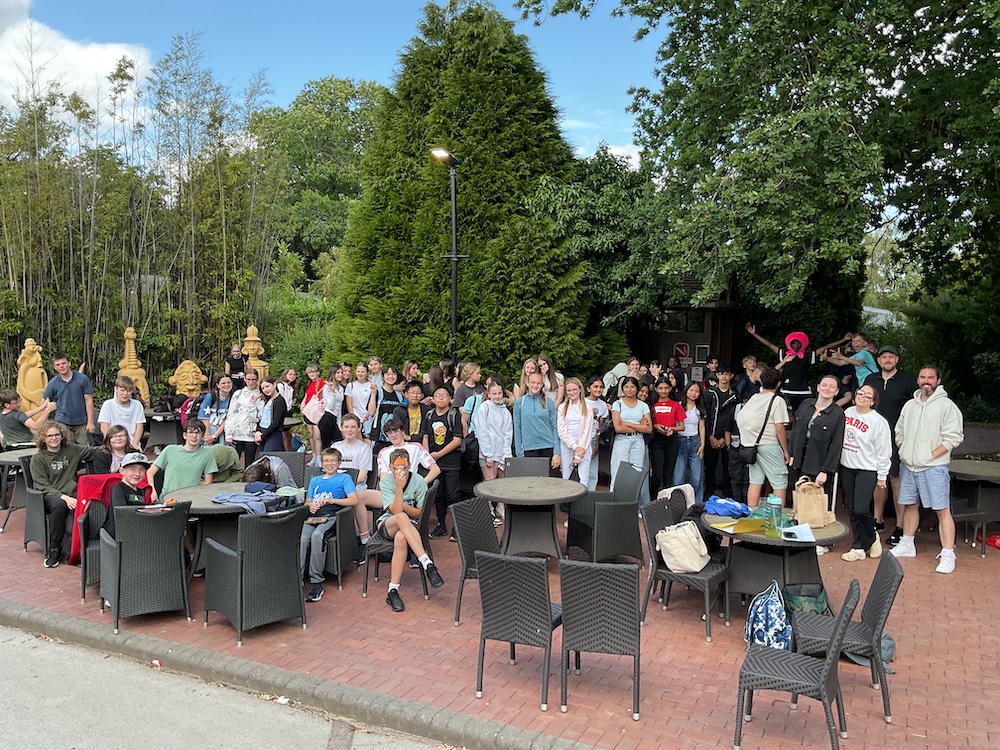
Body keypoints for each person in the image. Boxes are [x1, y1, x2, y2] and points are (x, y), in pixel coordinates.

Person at [890, 366, 965, 573]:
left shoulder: (947, 406)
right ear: (918, 380)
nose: (926, 381)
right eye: (923, 377)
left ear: (938, 381)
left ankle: (948, 555)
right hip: (909, 465)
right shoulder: (910, 405)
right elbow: (899, 431)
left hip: (934, 467)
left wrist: (931, 455)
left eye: (930, 377)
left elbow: (954, 437)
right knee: (910, 505)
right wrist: (903, 448)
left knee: (942, 510)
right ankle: (907, 543)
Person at [372, 448, 444, 611]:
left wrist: (403, 506)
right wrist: (399, 488)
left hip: (409, 526)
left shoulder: (418, 481)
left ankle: (393, 590)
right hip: (388, 523)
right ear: (390, 467)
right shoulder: (385, 482)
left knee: (401, 538)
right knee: (401, 517)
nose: (400, 471)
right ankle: (427, 563)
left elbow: (420, 512)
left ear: (409, 466)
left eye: (403, 467)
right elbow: (396, 512)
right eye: (396, 467)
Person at [864, 345, 918, 543]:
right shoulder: (870, 380)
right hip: (873, 437)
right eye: (883, 357)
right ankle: (877, 520)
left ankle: (900, 526)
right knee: (878, 479)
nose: (887, 360)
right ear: (878, 360)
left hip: (897, 437)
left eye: (891, 357)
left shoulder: (907, 381)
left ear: (897, 359)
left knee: (896, 481)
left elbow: (916, 409)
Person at [30, 421, 96, 567]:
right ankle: (55, 549)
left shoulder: (71, 449)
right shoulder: (38, 459)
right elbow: (42, 486)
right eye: (49, 436)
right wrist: (64, 498)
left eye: (57, 435)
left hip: (71, 493)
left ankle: (74, 549)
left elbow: (94, 452)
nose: (54, 438)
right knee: (60, 505)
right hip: (49, 495)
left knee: (85, 502)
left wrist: (118, 445)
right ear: (43, 438)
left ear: (62, 436)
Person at [839, 384, 892, 562]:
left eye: (867, 395)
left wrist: (882, 476)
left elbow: (884, 450)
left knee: (861, 509)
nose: (862, 396)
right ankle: (858, 547)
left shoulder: (878, 422)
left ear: (873, 401)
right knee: (852, 509)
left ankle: (870, 536)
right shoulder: (847, 413)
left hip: (867, 469)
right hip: (847, 467)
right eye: (860, 393)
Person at [744, 324, 850, 412]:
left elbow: (825, 347)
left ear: (803, 343)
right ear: (789, 343)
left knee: (803, 415)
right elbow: (769, 344)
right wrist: (754, 334)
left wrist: (843, 340)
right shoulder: (784, 354)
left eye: (798, 342)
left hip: (803, 391)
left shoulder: (808, 356)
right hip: (787, 390)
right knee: (787, 417)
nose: (795, 345)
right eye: (793, 342)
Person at [300, 447, 359, 603]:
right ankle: (298, 578)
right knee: (302, 538)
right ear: (322, 463)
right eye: (326, 460)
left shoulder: (344, 478)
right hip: (313, 517)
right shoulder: (315, 480)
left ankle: (316, 582)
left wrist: (333, 500)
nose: (329, 463)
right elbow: (307, 501)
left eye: (333, 460)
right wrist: (310, 505)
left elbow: (354, 500)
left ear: (339, 463)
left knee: (318, 536)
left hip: (332, 516)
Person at [736, 367, 790, 506]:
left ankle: (752, 512)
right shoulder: (777, 400)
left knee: (755, 481)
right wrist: (786, 450)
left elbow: (740, 418)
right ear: (778, 383)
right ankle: (777, 515)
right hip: (769, 445)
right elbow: (779, 427)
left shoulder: (754, 398)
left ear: (761, 381)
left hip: (750, 447)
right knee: (779, 482)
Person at [787, 375, 846, 497]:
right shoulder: (805, 404)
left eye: (832, 387)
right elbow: (795, 430)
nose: (827, 389)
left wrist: (825, 471)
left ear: (837, 391)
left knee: (814, 503)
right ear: (818, 387)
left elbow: (836, 445)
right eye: (824, 385)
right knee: (797, 500)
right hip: (798, 462)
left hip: (817, 466)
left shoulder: (838, 414)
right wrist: (792, 453)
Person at [422, 385, 463, 539]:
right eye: (437, 395)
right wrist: (428, 456)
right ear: (432, 399)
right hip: (435, 464)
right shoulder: (429, 415)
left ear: (450, 399)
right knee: (438, 495)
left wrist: (439, 454)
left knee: (452, 495)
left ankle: (457, 528)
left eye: (444, 395)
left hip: (451, 462)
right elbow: (425, 436)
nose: (441, 398)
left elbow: (457, 440)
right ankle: (441, 525)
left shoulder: (454, 415)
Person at [148, 420, 218, 502]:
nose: (194, 436)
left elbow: (208, 482)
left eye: (198, 433)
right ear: (185, 435)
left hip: (191, 500)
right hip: (168, 498)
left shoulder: (207, 453)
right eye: (191, 432)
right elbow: (150, 472)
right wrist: (152, 490)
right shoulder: (170, 450)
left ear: (202, 436)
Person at [609, 376, 651, 495]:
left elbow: (648, 428)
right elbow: (618, 428)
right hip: (622, 440)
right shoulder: (618, 404)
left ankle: (631, 503)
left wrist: (627, 423)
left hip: (638, 440)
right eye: (626, 387)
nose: (629, 389)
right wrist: (639, 425)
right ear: (622, 389)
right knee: (618, 473)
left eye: (632, 387)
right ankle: (613, 503)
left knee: (635, 474)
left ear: (637, 388)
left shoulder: (643, 406)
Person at [42, 352, 95, 446]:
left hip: (82, 422)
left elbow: (89, 401)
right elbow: (44, 402)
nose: (61, 366)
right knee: (67, 449)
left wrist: (90, 422)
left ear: (69, 363)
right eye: (58, 365)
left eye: (63, 363)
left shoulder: (82, 379)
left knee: (85, 449)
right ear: (55, 367)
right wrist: (45, 421)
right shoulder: (53, 383)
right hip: (62, 421)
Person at [703, 364, 739, 500]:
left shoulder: (735, 395)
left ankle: (727, 495)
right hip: (711, 435)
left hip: (727, 436)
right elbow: (706, 416)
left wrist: (725, 437)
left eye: (727, 373)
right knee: (710, 467)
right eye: (721, 373)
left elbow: (736, 418)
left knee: (728, 467)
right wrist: (710, 436)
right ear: (717, 375)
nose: (724, 376)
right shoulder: (709, 393)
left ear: (731, 376)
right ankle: (708, 495)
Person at [513, 372, 560, 472]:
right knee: (531, 480)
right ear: (527, 383)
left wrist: (557, 452)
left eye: (538, 383)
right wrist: (519, 454)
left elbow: (554, 427)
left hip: (548, 447)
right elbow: (517, 429)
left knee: (548, 480)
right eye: (533, 382)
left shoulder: (549, 402)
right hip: (528, 449)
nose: (535, 385)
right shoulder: (519, 403)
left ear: (542, 384)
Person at [648, 376, 684, 500]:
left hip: (671, 440)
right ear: (656, 389)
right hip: (656, 439)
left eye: (666, 388)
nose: (663, 391)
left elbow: (682, 426)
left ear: (670, 388)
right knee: (657, 474)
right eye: (661, 388)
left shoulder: (676, 405)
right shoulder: (652, 405)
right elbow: (647, 423)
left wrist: (671, 429)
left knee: (668, 474)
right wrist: (656, 426)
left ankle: (668, 502)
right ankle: (652, 500)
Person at [103, 452, 151, 539]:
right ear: (122, 471)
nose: (137, 473)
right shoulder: (118, 488)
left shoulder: (140, 491)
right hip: (121, 536)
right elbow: (122, 513)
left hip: (136, 531)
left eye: (142, 469)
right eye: (132, 469)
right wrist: (148, 511)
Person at [672, 381, 706, 500]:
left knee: (696, 478)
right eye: (691, 390)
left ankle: (696, 504)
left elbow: (702, 427)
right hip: (680, 441)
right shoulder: (678, 405)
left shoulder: (699, 408)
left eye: (697, 391)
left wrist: (702, 445)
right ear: (686, 391)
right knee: (678, 477)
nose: (693, 393)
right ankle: (677, 503)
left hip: (695, 441)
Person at [557, 377, 594, 487]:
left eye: (574, 389)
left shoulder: (587, 408)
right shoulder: (562, 407)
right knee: (566, 478)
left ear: (580, 389)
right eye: (569, 390)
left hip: (583, 447)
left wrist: (579, 453)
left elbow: (587, 431)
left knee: (583, 479)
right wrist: (575, 447)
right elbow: (561, 431)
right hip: (567, 446)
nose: (572, 392)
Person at [97, 375, 146, 449]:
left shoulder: (137, 405)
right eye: (122, 390)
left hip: (132, 444)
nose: (125, 393)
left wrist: (134, 444)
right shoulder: (108, 404)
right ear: (116, 389)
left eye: (128, 391)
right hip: (113, 444)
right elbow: (104, 427)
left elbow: (139, 427)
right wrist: (111, 443)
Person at [226, 369, 262, 465]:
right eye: (248, 379)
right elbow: (231, 414)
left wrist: (251, 405)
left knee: (249, 464)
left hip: (251, 435)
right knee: (234, 463)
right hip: (236, 434)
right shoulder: (238, 394)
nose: (251, 382)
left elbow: (258, 417)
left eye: (253, 380)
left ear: (257, 379)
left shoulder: (260, 395)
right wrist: (228, 433)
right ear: (244, 379)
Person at [583, 376, 610, 491]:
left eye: (601, 387)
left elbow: (601, 425)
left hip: (594, 438)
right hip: (582, 438)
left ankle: (590, 494)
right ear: (588, 388)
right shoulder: (582, 402)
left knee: (592, 471)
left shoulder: (603, 405)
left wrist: (597, 444)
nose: (598, 389)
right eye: (595, 387)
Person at [331, 414, 371, 489]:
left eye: (353, 427)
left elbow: (361, 477)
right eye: (346, 427)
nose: (349, 430)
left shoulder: (365, 449)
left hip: (356, 487)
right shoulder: (335, 447)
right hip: (335, 485)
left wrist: (342, 484)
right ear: (341, 428)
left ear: (359, 428)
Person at [300, 364, 326, 464]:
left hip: (316, 411)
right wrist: (303, 403)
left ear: (317, 372)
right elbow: (307, 395)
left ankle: (319, 456)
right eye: (309, 372)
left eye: (313, 372)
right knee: (311, 434)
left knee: (317, 435)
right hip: (309, 410)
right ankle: (314, 455)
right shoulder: (310, 384)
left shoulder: (323, 383)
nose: (312, 374)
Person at [254, 376, 288, 452]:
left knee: (268, 456)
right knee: (260, 456)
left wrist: (263, 436)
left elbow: (276, 423)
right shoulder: (267, 400)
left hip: (273, 433)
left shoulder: (279, 401)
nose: (265, 390)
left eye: (267, 386)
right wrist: (258, 431)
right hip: (262, 431)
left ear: (274, 385)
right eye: (263, 388)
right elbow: (262, 418)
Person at [199, 373, 233, 447]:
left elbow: (228, 419)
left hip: (225, 431)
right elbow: (205, 418)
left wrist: (214, 436)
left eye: (229, 382)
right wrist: (208, 438)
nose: (226, 385)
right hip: (209, 429)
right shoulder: (211, 396)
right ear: (218, 385)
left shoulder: (233, 397)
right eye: (223, 383)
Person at [345, 362, 378, 438]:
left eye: (363, 372)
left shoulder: (371, 385)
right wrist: (354, 419)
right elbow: (349, 404)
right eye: (358, 371)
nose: (360, 374)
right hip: (356, 418)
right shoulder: (351, 385)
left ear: (367, 373)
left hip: (369, 418)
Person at [276, 368, 298, 450]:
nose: (292, 376)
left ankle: (288, 451)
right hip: (282, 412)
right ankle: (287, 452)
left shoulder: (292, 387)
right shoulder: (281, 385)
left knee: (288, 435)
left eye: (294, 375)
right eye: (290, 374)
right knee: (285, 434)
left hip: (288, 411)